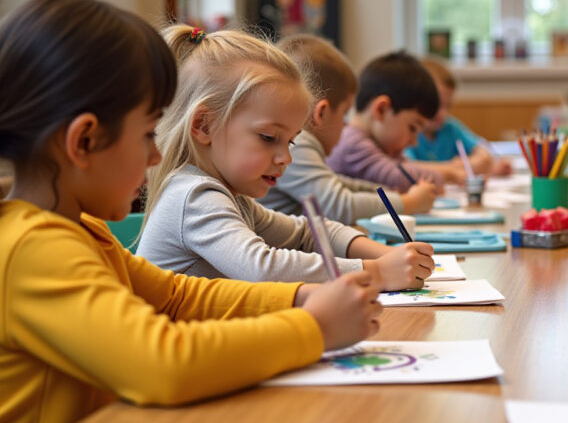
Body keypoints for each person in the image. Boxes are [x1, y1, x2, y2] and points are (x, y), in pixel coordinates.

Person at [0, 0, 381, 423]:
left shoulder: (78, 228)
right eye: (146, 135)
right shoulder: (32, 249)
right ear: (83, 140)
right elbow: (163, 363)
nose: (157, 158)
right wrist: (312, 327)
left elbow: (177, 296)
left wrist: (299, 296)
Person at [139, 26, 433, 291]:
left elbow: (309, 232)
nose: (285, 158)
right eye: (268, 138)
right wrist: (377, 272)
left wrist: (385, 255)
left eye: (291, 141)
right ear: (204, 126)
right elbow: (262, 268)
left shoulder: (233, 198)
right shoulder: (193, 196)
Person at [258, 34, 438, 222]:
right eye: (345, 114)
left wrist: (390, 192)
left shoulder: (302, 146)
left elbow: (342, 186)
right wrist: (407, 202)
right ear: (321, 113)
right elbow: (340, 206)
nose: (346, 126)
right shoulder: (296, 145)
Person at [326, 50, 444, 190]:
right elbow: (398, 178)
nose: (414, 141)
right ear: (381, 109)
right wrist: (447, 174)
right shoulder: (352, 142)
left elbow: (406, 167)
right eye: (412, 128)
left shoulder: (378, 145)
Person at [406, 57, 512, 178]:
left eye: (448, 106)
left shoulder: (450, 128)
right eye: (435, 104)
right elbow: (408, 168)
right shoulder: (408, 134)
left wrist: (484, 165)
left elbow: (484, 153)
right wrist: (457, 168)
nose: (442, 113)